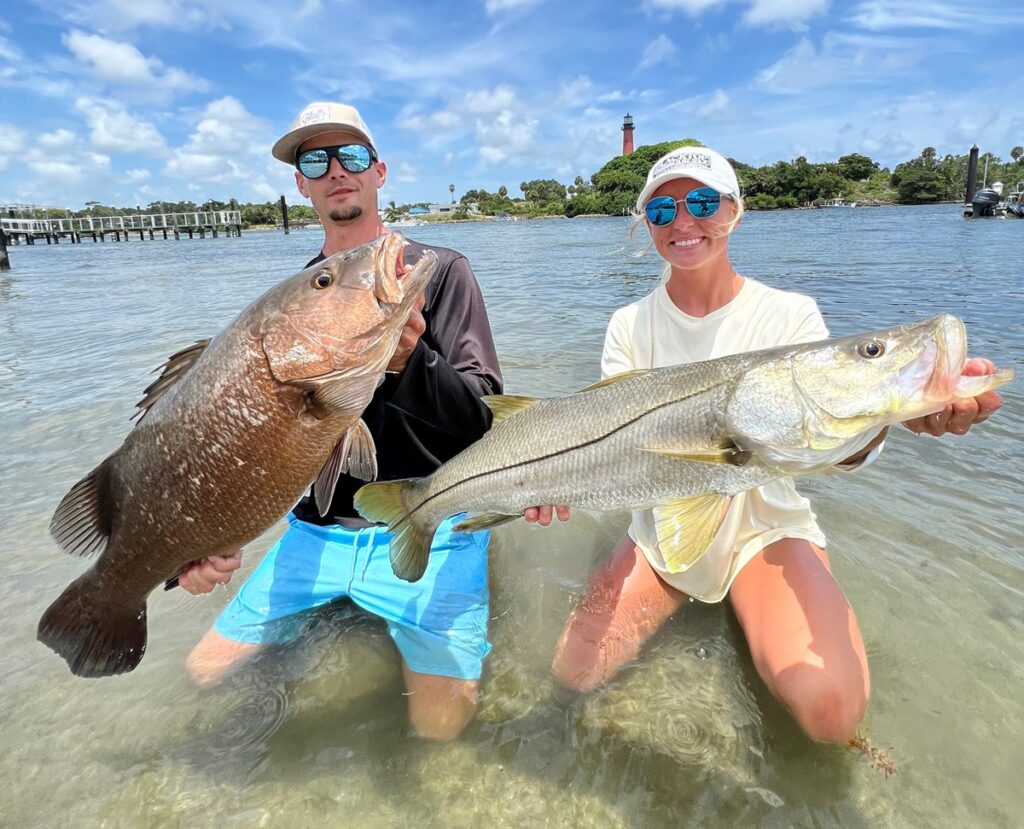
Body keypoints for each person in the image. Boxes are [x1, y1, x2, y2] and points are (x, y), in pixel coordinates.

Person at [540, 145, 1005, 743]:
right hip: (661, 530)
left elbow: (820, 439)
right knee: (573, 674)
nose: (684, 221)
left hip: (765, 528)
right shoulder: (627, 326)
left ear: (736, 211)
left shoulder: (790, 315)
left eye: (704, 202)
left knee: (831, 714)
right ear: (646, 226)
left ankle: (766, 606)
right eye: (661, 211)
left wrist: (886, 418)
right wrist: (551, 483)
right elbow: (611, 454)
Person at [178, 102, 503, 741]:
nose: (335, 171)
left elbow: (484, 421)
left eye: (351, 156)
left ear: (379, 171)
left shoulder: (441, 271)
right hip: (318, 526)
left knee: (441, 727)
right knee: (203, 673)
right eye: (314, 159)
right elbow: (251, 440)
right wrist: (203, 539)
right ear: (300, 183)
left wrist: (413, 360)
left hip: (430, 519)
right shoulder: (293, 299)